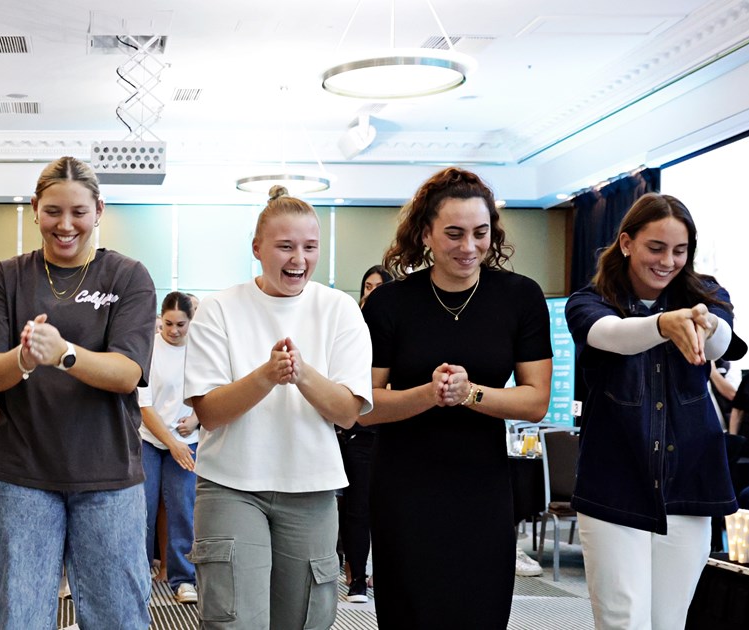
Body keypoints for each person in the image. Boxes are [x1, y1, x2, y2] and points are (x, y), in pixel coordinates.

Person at [359, 167, 552, 629]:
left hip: (481, 486)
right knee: (409, 612)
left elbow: (534, 401)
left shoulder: (520, 297)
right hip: (404, 486)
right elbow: (363, 406)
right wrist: (428, 394)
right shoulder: (389, 303)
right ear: (425, 233)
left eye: (480, 233)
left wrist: (470, 393)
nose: (469, 247)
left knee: (479, 610)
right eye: (454, 233)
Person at [0, 156, 157, 628]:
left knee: (118, 617)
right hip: (21, 477)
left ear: (99, 210)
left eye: (78, 211)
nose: (65, 224)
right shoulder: (4, 277)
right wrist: (23, 359)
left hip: (109, 476)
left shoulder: (128, 276)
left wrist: (63, 353)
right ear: (35, 209)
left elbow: (128, 373)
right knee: (19, 616)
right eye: (53, 211)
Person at [182, 185, 373, 630]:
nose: (298, 259)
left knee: (305, 619)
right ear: (257, 248)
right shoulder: (218, 308)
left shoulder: (340, 309)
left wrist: (301, 373)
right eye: (285, 246)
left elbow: (348, 412)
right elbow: (210, 411)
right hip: (231, 484)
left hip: (311, 488)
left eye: (309, 247)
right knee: (233, 618)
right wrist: (267, 375)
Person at [567, 193, 737, 630]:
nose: (668, 261)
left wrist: (706, 322)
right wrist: (664, 325)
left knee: (669, 622)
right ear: (626, 243)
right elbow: (612, 336)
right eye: (656, 248)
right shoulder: (590, 301)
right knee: (623, 621)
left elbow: (719, 343)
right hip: (613, 486)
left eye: (680, 251)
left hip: (689, 484)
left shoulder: (708, 295)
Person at [140, 291, 200, 604]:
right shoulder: (149, 348)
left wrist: (196, 418)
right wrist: (172, 442)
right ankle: (137, 575)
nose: (174, 330)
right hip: (150, 439)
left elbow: (210, 393)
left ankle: (183, 579)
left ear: (191, 322)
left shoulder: (201, 350)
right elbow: (144, 406)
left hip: (187, 440)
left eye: (181, 324)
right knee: (143, 509)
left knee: (182, 509)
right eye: (168, 323)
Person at [338, 265, 391, 602]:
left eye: (378, 287)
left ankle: (369, 572)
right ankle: (356, 575)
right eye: (366, 286)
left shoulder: (392, 324)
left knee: (377, 506)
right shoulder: (350, 324)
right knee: (353, 505)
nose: (370, 292)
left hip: (383, 427)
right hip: (349, 425)